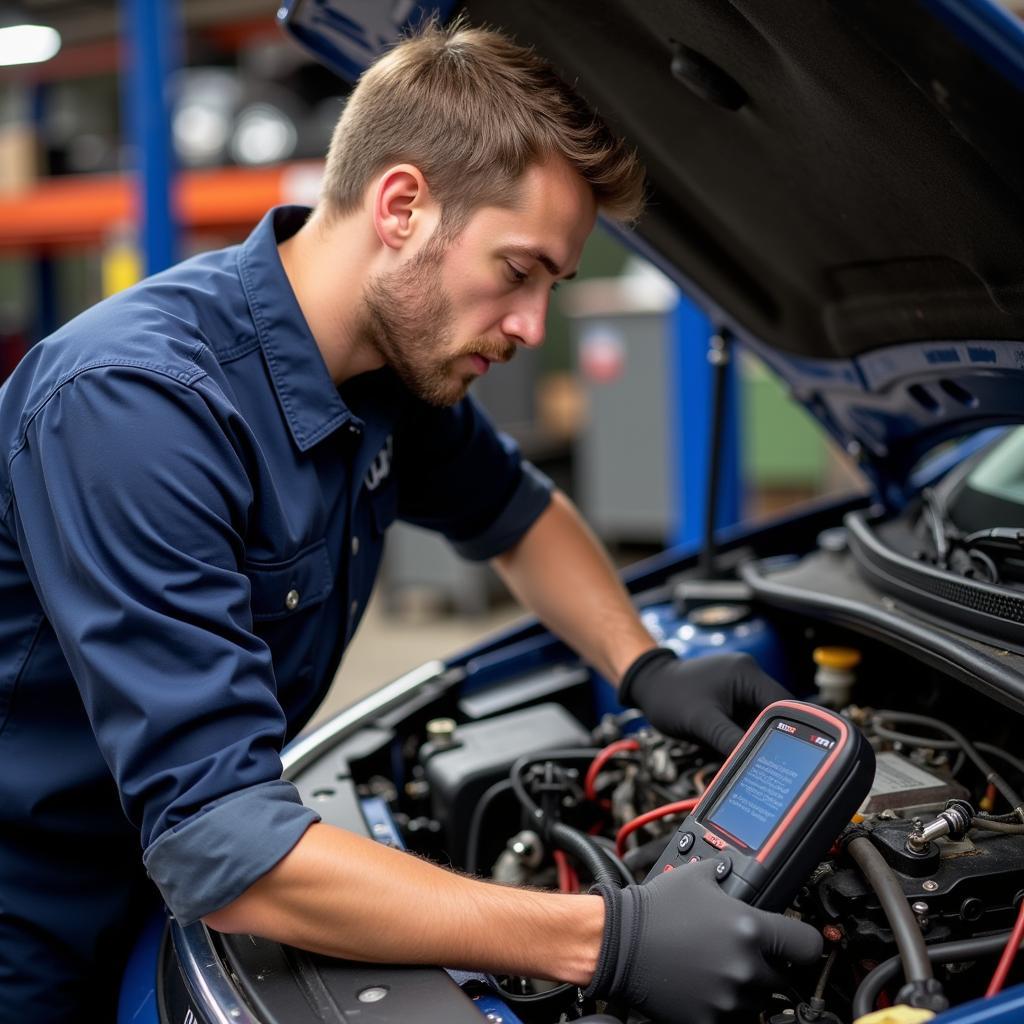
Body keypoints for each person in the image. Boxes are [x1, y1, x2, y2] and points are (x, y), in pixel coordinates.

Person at [0, 21, 821, 1024]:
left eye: (551, 288)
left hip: (150, 880)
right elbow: (227, 847)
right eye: (518, 271)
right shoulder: (136, 405)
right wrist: (608, 936)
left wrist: (642, 664)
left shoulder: (384, 368)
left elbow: (520, 516)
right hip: (29, 918)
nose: (531, 326)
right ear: (401, 206)